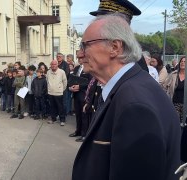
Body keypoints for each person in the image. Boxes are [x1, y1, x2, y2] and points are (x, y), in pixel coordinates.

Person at [72, 15, 181, 180]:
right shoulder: (131, 86)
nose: (79, 54)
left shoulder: (135, 106)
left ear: (115, 47)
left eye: (85, 45)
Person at [89, 0, 149, 73]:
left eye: (101, 22)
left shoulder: (134, 61)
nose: (96, 26)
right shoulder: (103, 55)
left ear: (119, 26)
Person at [68, 57, 91, 142]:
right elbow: (72, 79)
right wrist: (70, 87)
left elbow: (90, 82)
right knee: (78, 114)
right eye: (78, 58)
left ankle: (84, 134)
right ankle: (78, 131)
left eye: (81, 58)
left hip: (84, 95)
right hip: (76, 94)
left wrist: (80, 86)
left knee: (84, 115)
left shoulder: (88, 68)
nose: (79, 59)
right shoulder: (77, 68)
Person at [163, 56, 186, 123]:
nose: (183, 63)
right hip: (175, 104)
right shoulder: (173, 74)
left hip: (185, 105)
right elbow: (164, 87)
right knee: (175, 123)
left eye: (185, 62)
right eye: (181, 61)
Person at [47, 60, 67, 126]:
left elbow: (65, 82)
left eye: (55, 64)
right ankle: (53, 119)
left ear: (57, 65)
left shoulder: (62, 72)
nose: (53, 65)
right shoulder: (48, 72)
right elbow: (47, 81)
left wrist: (61, 89)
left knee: (60, 107)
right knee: (52, 107)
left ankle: (62, 120)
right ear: (50, 65)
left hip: (59, 93)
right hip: (50, 93)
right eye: (52, 64)